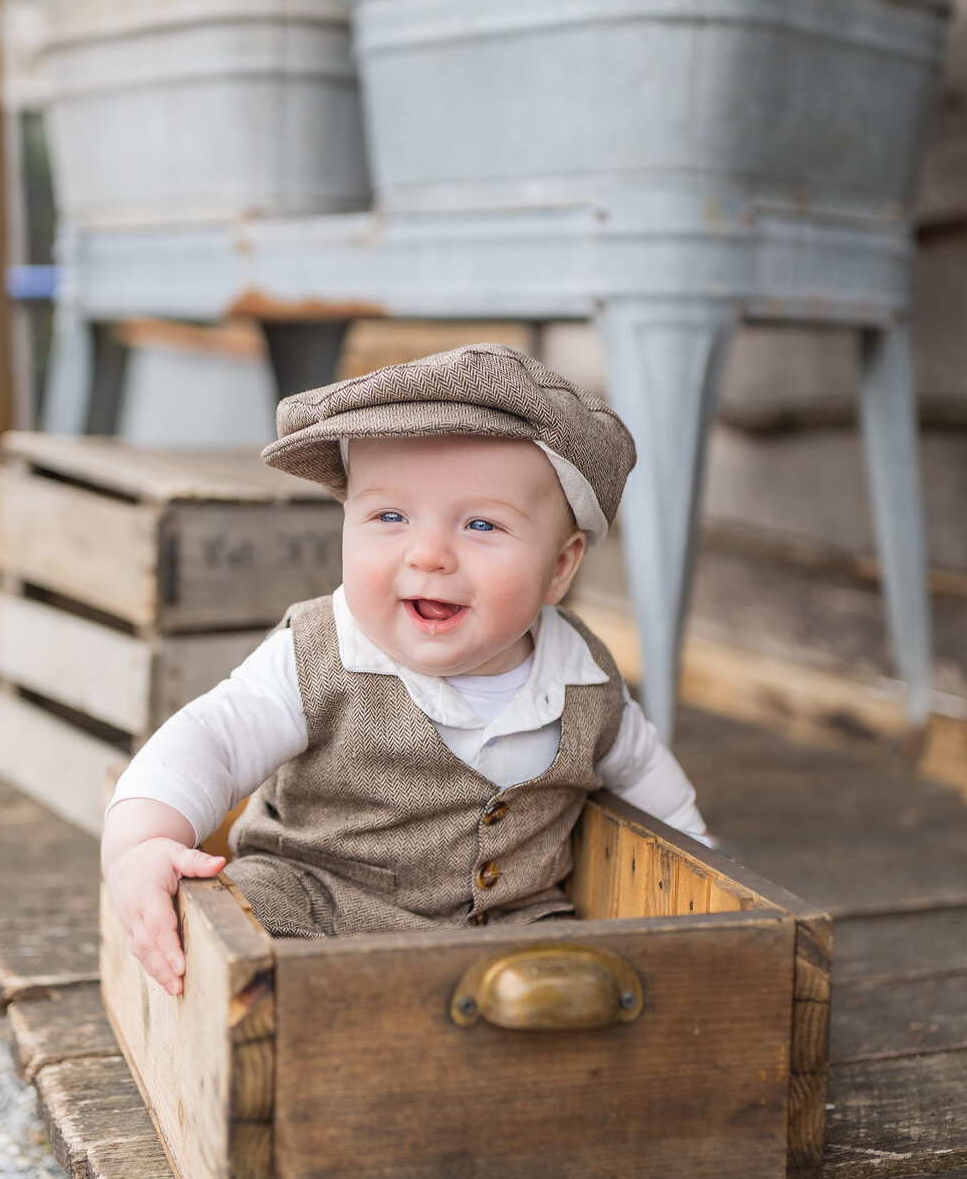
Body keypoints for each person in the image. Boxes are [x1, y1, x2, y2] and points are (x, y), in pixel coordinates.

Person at [102, 343, 708, 993]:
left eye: (481, 524)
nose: (429, 555)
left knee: (590, 984)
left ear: (560, 567)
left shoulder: (585, 679)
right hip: (315, 909)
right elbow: (211, 740)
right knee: (245, 936)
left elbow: (656, 790)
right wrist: (140, 844)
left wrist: (709, 890)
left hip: (510, 945)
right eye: (389, 516)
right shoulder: (320, 653)